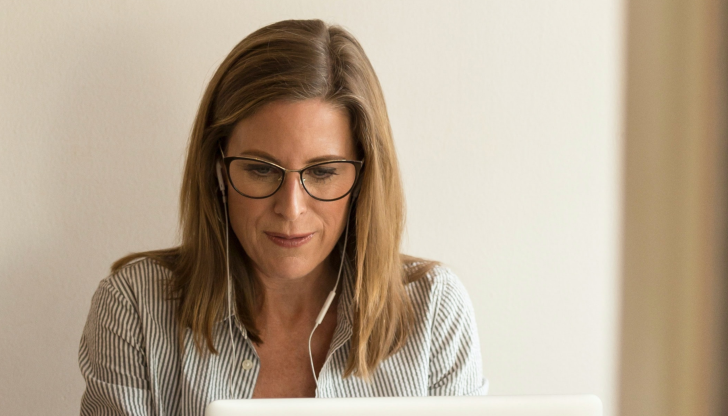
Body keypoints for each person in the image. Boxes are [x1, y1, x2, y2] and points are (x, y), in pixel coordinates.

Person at [77, 19, 488, 416]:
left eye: (323, 172)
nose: (291, 208)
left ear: (364, 177)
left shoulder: (434, 311)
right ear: (219, 168)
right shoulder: (135, 308)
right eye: (260, 169)